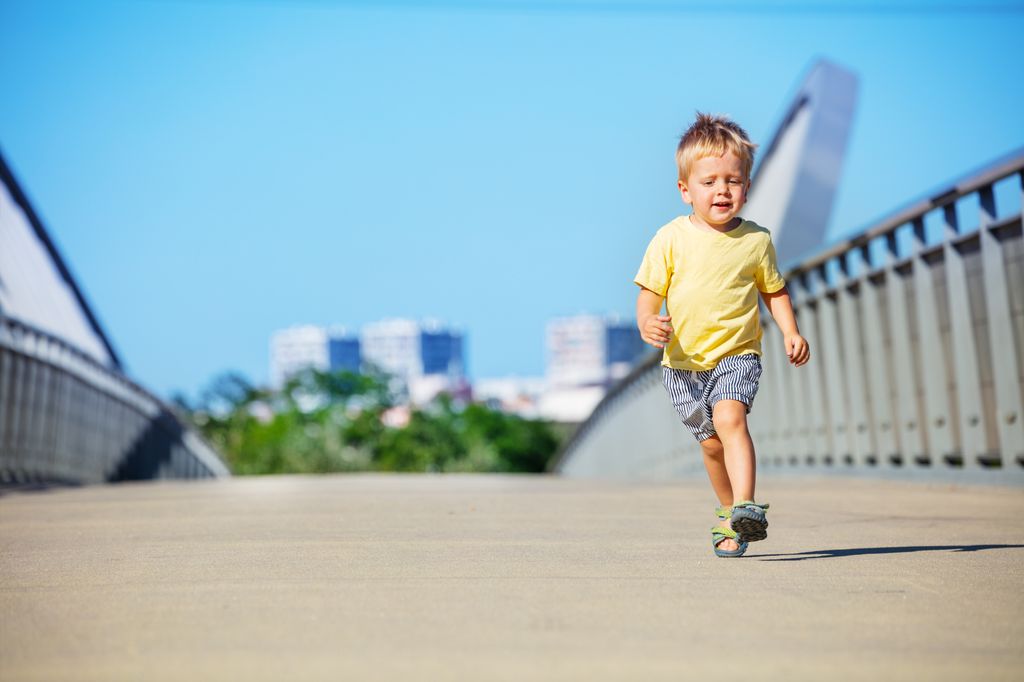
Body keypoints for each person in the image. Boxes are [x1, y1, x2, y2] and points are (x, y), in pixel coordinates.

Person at [634, 112, 810, 558]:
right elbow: (650, 292)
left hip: (737, 354)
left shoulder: (756, 240)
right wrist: (647, 320)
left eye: (733, 181)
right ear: (685, 190)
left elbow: (775, 290)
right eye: (709, 182)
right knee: (711, 446)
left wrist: (790, 330)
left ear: (747, 188)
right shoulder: (670, 238)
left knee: (731, 421)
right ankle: (728, 511)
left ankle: (748, 507)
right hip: (683, 365)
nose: (722, 191)